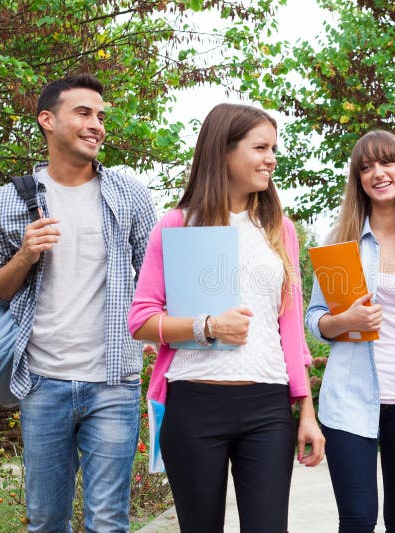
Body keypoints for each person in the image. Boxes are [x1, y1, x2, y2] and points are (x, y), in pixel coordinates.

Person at [128, 103, 324, 532]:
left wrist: (305, 410)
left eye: (274, 148)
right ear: (224, 152)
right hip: (195, 402)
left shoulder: (279, 229)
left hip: (268, 406)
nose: (272, 158)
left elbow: (289, 328)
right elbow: (141, 320)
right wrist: (208, 327)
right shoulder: (178, 224)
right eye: (260, 147)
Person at [0, 73, 157, 532]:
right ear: (47, 120)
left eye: (100, 116)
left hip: (112, 382)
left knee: (108, 521)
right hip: (41, 381)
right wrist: (24, 255)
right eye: (83, 113)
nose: (96, 124)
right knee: (46, 521)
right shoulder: (8, 202)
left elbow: (157, 280)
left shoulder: (129, 195)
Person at [305, 130, 395, 533]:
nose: (378, 172)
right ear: (358, 180)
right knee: (357, 520)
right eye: (366, 167)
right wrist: (342, 323)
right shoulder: (341, 244)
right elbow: (315, 317)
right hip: (350, 402)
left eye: (387, 162)